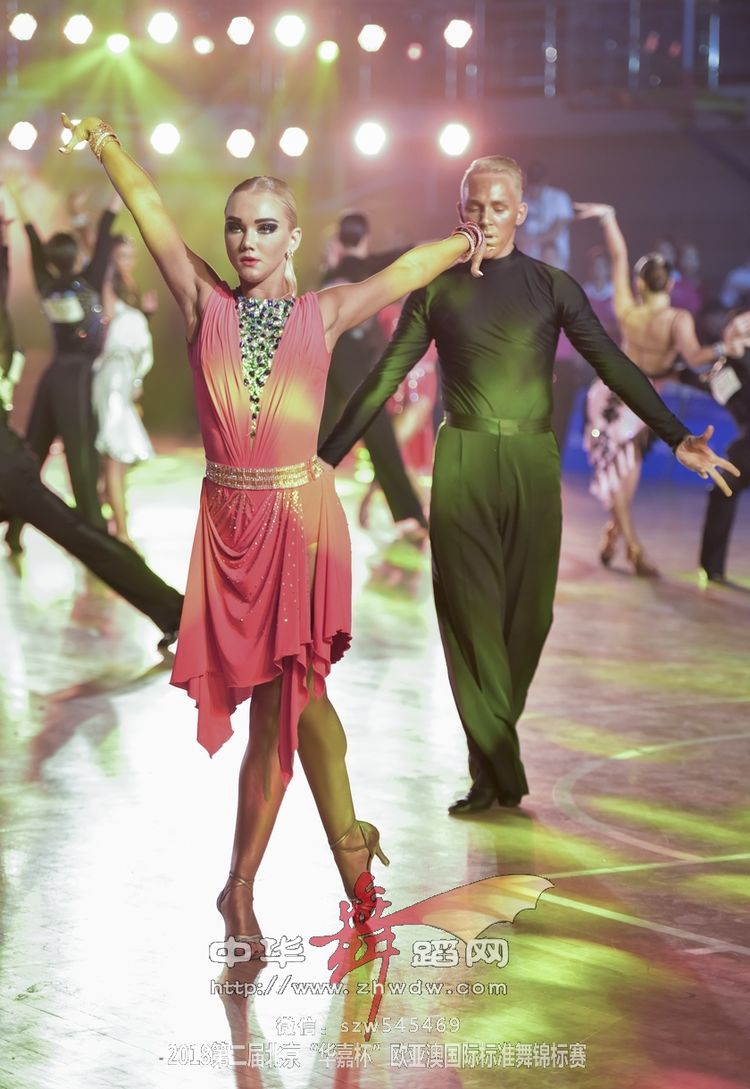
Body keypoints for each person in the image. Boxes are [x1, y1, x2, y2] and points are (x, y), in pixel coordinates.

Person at [58, 112, 487, 938]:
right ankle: (339, 863)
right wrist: (107, 142)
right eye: (235, 227)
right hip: (230, 533)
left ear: (293, 238)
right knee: (303, 706)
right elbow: (150, 210)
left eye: (263, 227)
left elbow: (404, 271)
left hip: (301, 527)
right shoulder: (201, 300)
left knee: (290, 704)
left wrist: (464, 241)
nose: (245, 241)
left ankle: (253, 886)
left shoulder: (324, 312)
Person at [318, 155, 739, 816]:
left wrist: (676, 435)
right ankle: (493, 769)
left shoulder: (552, 285)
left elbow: (613, 363)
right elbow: (381, 380)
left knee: (530, 617)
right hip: (463, 457)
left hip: (533, 461)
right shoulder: (435, 291)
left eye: (498, 206)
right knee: (469, 617)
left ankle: (494, 754)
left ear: (520, 213)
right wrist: (326, 458)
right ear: (461, 212)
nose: (485, 218)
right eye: (474, 206)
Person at [0, 198, 182, 649]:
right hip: (71, 381)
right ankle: (168, 604)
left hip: (42, 402)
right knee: (75, 508)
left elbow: (22, 264)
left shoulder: (48, 284)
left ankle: (172, 608)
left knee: (69, 513)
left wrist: (19, 226)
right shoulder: (80, 281)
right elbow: (95, 250)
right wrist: (106, 210)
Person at [576, 203, 749, 576]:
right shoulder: (676, 319)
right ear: (670, 284)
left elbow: (619, 257)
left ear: (640, 284)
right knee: (625, 475)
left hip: (607, 395)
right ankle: (634, 548)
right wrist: (725, 347)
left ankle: (615, 534)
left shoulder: (628, 310)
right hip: (640, 404)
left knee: (620, 474)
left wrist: (609, 219)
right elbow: (696, 356)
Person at [3, 183, 120, 554]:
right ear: (75, 256)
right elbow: (104, 240)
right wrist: (117, 197)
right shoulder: (89, 280)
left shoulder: (46, 282)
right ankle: (96, 534)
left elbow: (32, 241)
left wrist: (18, 202)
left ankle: (14, 529)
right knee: (81, 457)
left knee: (34, 454)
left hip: (52, 378)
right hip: (77, 379)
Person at [319, 212, 427, 538]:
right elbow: (419, 251)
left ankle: (295, 504)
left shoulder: (331, 273)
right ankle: (410, 516)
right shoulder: (374, 265)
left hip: (327, 358)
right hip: (355, 361)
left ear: (340, 240)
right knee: (380, 435)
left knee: (318, 438)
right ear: (366, 238)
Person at [92, 234, 157, 546]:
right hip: (114, 375)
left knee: (119, 453)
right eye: (120, 256)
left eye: (130, 255)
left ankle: (111, 508)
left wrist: (147, 314)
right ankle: (121, 528)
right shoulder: (109, 285)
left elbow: (134, 335)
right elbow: (111, 328)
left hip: (127, 373)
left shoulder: (131, 287)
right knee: (117, 451)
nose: (126, 262)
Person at [515, 162, 574, 270]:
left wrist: (532, 240)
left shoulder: (559, 198)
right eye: (532, 183)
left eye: (537, 184)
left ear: (545, 181)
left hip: (554, 262)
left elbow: (556, 230)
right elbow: (517, 229)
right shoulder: (522, 200)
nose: (534, 188)